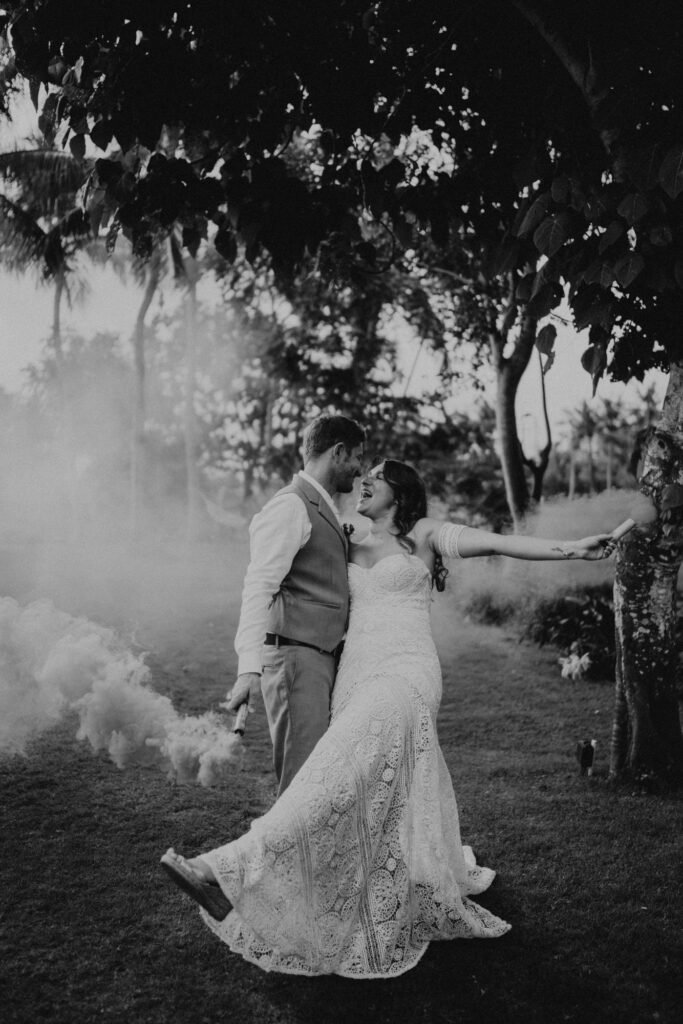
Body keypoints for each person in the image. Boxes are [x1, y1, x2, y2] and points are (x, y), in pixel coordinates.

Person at [161, 460, 614, 979]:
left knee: (332, 773)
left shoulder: (426, 535)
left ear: (399, 491)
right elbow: (282, 558)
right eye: (364, 474)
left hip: (408, 672)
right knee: (347, 780)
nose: (365, 481)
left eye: (376, 475)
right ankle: (322, 876)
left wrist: (574, 548)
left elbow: (501, 542)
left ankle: (222, 868)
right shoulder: (346, 535)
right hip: (355, 676)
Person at [225, 414, 364, 795]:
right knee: (301, 790)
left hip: (317, 662)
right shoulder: (291, 506)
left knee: (317, 786)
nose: (359, 468)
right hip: (296, 662)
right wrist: (248, 669)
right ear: (338, 452)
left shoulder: (321, 506)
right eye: (357, 457)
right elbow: (259, 587)